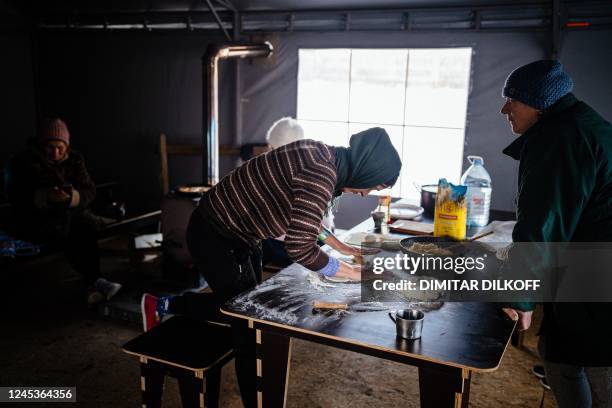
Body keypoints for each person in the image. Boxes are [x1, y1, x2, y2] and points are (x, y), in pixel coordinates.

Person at [142, 127, 402, 407]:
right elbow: (299, 247)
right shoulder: (321, 173)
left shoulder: (325, 156)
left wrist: (340, 246)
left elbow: (304, 213)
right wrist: (354, 274)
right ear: (367, 167)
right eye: (373, 186)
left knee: (253, 310)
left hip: (243, 236)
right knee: (246, 318)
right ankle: (164, 305)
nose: (366, 194)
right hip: (215, 233)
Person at [499, 60, 612, 407]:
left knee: (595, 364)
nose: (505, 108)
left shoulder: (560, 138)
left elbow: (543, 224)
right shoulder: (583, 123)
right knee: (561, 355)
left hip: (596, 276)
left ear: (538, 104)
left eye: (512, 101)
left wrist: (520, 295)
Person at [5, 118, 121, 305]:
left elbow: (89, 190)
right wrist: (46, 197)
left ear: (66, 146)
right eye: (50, 147)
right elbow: (17, 197)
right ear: (41, 144)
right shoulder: (23, 161)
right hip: (37, 218)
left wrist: (72, 197)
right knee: (70, 227)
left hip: (70, 213)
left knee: (83, 226)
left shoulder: (75, 159)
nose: (55, 153)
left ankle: (94, 280)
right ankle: (96, 281)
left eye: (60, 148)